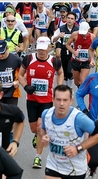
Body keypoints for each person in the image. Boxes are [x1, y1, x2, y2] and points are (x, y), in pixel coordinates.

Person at [18, 36, 64, 168]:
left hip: (47, 100)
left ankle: (37, 157)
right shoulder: (28, 59)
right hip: (32, 99)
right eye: (39, 49)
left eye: (44, 49)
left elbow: (60, 73)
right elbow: (20, 75)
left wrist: (58, 88)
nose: (41, 52)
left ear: (49, 48)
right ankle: (37, 135)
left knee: (40, 127)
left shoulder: (54, 61)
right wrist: (26, 86)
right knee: (34, 128)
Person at [0, 40, 22, 106]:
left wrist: (18, 81)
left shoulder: (16, 60)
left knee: (11, 114)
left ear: (7, 49)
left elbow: (23, 73)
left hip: (12, 92)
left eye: (2, 53)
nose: (0, 56)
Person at [52, 11, 79, 88]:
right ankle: (65, 85)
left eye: (72, 19)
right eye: (68, 18)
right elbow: (53, 40)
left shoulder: (77, 30)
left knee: (69, 71)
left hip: (72, 52)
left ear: (75, 20)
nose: (70, 20)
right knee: (64, 72)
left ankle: (69, 89)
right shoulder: (61, 29)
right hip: (64, 51)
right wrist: (58, 36)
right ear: (66, 19)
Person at [66, 21, 95, 89]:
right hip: (76, 61)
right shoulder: (75, 34)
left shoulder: (92, 36)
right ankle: (80, 89)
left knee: (82, 81)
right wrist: (74, 52)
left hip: (86, 61)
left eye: (84, 33)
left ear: (88, 29)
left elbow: (94, 48)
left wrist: (93, 58)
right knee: (77, 82)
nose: (83, 35)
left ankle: (81, 95)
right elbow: (67, 45)